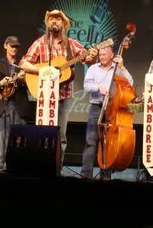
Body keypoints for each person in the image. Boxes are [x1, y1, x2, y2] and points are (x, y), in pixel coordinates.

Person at [20, 9, 98, 172]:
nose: (54, 21)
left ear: (63, 24)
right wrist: (41, 71)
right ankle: (40, 166)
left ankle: (57, 168)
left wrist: (92, 56)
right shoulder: (39, 43)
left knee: (60, 136)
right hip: (43, 97)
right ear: (47, 23)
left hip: (63, 97)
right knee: (42, 132)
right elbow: (24, 63)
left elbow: (88, 60)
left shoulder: (71, 44)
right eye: (51, 19)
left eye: (58, 19)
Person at [79, 46, 134, 180]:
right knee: (90, 141)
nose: (102, 57)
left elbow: (130, 83)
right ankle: (86, 174)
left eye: (105, 54)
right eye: (100, 54)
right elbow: (86, 85)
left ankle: (106, 175)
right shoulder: (93, 68)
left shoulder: (117, 69)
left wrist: (122, 66)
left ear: (112, 55)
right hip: (96, 107)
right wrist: (99, 88)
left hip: (111, 109)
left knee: (108, 142)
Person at [0, 36, 29, 172]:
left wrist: (24, 80)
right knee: (1, 136)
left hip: (18, 104)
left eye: (16, 46)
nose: (14, 49)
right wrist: (2, 83)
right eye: (12, 46)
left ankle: (18, 164)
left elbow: (31, 87)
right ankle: (1, 164)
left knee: (18, 136)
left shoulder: (23, 65)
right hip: (2, 103)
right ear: (5, 46)